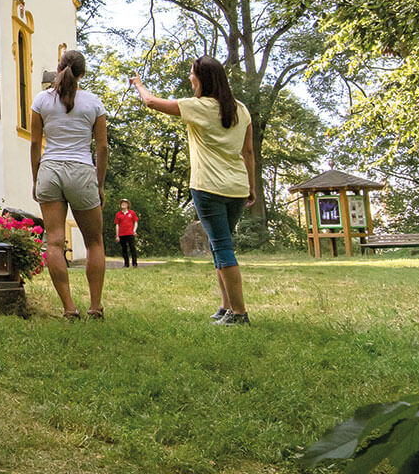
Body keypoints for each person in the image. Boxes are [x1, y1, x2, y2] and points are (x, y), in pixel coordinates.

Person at [131, 56, 256, 325]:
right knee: (219, 245)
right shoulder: (241, 110)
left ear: (201, 78)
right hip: (237, 187)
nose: (190, 77)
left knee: (222, 247)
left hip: (209, 187)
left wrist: (139, 85)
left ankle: (239, 313)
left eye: (192, 73)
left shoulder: (199, 107)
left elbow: (152, 103)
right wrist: (252, 186)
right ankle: (226, 307)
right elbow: (248, 152)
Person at [31, 50, 109, 319]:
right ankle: (95, 307)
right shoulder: (93, 102)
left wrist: (35, 179)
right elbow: (102, 147)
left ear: (59, 68)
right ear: (83, 74)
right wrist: (99, 184)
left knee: (53, 243)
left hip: (50, 171)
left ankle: (69, 308)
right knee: (94, 242)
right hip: (81, 171)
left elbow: (34, 144)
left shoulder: (42, 100)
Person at [114, 199, 140, 268]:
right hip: (122, 234)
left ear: (128, 205)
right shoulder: (118, 214)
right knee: (124, 249)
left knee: (132, 248)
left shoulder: (132, 213)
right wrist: (117, 235)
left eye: (125, 203)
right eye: (122, 203)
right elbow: (117, 225)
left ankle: (134, 264)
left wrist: (134, 230)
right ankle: (126, 264)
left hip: (130, 233)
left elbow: (135, 222)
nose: (123, 205)